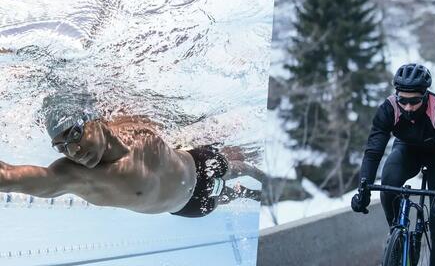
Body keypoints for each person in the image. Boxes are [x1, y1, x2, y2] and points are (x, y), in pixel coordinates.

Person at [0, 91, 262, 217]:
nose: (74, 151)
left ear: (93, 120)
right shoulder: (75, 176)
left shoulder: (126, 119)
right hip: (189, 206)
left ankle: (262, 178)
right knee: (229, 194)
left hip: (199, 163)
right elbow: (10, 177)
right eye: (62, 146)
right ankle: (250, 194)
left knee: (240, 168)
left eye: (74, 135)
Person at [351, 63, 435, 266]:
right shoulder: (388, 109)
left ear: (425, 96)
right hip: (407, 151)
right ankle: (396, 237)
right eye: (404, 101)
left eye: (415, 101)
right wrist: (363, 188)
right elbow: (374, 151)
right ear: (397, 95)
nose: (409, 107)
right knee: (388, 183)